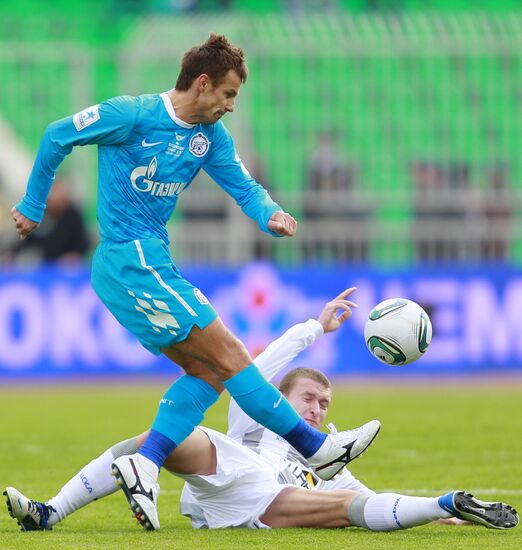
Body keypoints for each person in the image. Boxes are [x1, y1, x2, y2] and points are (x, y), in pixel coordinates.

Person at [10, 34, 381, 531]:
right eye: (228, 95)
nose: (231, 106)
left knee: (209, 374)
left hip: (153, 263)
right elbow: (58, 134)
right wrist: (33, 206)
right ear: (202, 84)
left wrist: (269, 213)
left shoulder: (208, 138)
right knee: (230, 355)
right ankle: (318, 449)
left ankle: (142, 462)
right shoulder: (134, 114)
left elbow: (241, 184)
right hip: (130, 262)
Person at [4, 290, 518, 532]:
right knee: (150, 440)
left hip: (272, 498)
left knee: (346, 509)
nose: (317, 408)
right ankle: (50, 512)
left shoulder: (327, 470)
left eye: (324, 405)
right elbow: (258, 363)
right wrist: (315, 328)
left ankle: (449, 501)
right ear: (282, 400)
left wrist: (443, 516)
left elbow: (378, 500)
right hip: (233, 466)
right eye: (308, 400)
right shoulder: (258, 419)